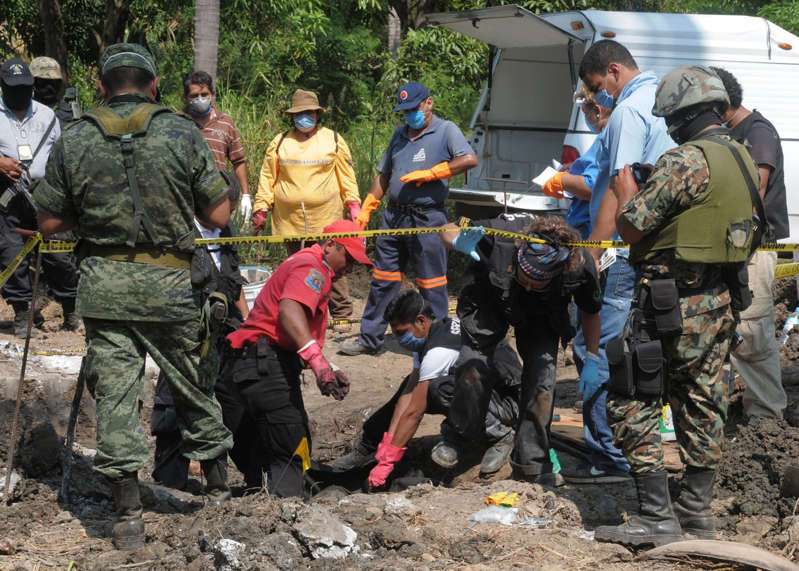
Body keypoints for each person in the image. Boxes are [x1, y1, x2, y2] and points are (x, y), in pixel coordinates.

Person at [33, 43, 234, 550]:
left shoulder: (74, 138)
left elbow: (50, 222)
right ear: (153, 86)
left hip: (105, 291)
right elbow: (218, 216)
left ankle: (127, 514)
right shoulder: (181, 130)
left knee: (117, 398)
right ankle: (219, 494)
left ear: (100, 87)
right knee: (192, 386)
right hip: (171, 288)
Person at [594, 66, 758, 548]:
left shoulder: (683, 160)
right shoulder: (742, 156)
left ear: (683, 116)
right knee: (704, 402)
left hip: (668, 305)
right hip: (719, 303)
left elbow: (631, 228)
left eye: (671, 120)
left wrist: (628, 194)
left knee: (631, 399)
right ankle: (697, 512)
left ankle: (655, 517)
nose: (668, 127)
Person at [564, 40, 672, 484]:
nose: (597, 98)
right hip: (656, 249)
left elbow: (619, 183)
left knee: (599, 352)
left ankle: (609, 459)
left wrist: (593, 251)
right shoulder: (665, 103)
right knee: (641, 351)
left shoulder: (629, 111)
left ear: (612, 71)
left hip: (621, 253)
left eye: (595, 87)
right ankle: (634, 454)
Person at [443, 214, 602, 486]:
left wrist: (593, 357)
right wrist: (456, 239)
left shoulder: (578, 265)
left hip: (542, 314)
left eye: (535, 283)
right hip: (492, 299)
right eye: (525, 278)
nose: (528, 285)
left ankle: (531, 463)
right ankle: (461, 436)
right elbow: (445, 228)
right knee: (472, 367)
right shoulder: (502, 236)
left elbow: (590, 311)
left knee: (543, 382)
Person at [222, 219, 372, 498]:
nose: (350, 268)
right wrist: (318, 363)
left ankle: (259, 495)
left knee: (259, 442)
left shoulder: (307, 264)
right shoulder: (313, 267)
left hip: (248, 364)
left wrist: (324, 365)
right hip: (264, 363)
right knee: (292, 441)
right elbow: (289, 311)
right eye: (348, 258)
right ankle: (286, 506)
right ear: (330, 245)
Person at [340, 82, 478, 356]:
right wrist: (368, 206)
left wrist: (433, 173)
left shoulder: (446, 130)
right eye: (405, 111)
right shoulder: (399, 135)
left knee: (432, 284)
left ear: (429, 103)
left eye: (414, 109)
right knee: (383, 280)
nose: (410, 115)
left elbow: (469, 159)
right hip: (394, 217)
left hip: (428, 219)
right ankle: (369, 339)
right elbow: (384, 175)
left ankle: (439, 342)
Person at [331, 289, 521, 482]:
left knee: (437, 389)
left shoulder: (439, 350)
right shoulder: (429, 336)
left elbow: (415, 411)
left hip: (508, 403)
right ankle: (368, 445)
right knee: (420, 385)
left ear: (421, 321)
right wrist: (390, 440)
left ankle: (498, 436)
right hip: (486, 394)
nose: (398, 340)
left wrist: (388, 462)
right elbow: (408, 392)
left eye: (401, 333)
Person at [151, 173, 254, 490]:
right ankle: (170, 483)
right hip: (183, 337)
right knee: (172, 410)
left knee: (218, 408)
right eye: (227, 208)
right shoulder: (176, 232)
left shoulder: (226, 232)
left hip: (223, 336)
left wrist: (248, 324)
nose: (229, 215)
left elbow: (233, 282)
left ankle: (217, 485)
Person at [712, 66, 788, 421]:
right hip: (735, 248)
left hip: (755, 250)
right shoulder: (733, 134)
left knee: (753, 335)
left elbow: (752, 193)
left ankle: (766, 417)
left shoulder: (757, 133)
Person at [251, 89, 361, 327]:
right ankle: (303, 314)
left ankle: (341, 316)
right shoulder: (280, 142)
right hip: (290, 220)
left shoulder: (333, 140)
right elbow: (268, 177)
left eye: (309, 113)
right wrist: (261, 208)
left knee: (333, 265)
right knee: (298, 267)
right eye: (300, 113)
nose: (304, 117)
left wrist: (353, 204)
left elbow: (347, 176)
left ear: (317, 114)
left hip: (326, 218)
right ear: (292, 116)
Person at [0, 57, 81, 337]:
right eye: (14, 88)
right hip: (7, 201)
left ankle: (71, 311)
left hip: (46, 197)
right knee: (13, 257)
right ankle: (23, 317)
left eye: (25, 88)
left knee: (59, 256)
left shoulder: (47, 116)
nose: (20, 94)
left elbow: (63, 156)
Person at [180, 71, 252, 220]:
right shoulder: (176, 122)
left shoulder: (225, 122)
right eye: (194, 96)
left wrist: (245, 194)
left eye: (204, 94)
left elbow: (238, 161)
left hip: (217, 200)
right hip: (186, 201)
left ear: (212, 94)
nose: (200, 99)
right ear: (185, 97)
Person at [542, 86, 611, 240]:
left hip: (589, 229)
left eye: (586, 113)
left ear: (597, 111)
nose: (585, 117)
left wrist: (562, 180)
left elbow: (592, 186)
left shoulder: (607, 138)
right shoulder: (609, 136)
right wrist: (576, 167)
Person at [29, 56, 81, 128]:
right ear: (32, 82)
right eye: (43, 82)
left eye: (54, 83)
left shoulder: (70, 113)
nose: (49, 87)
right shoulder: (23, 112)